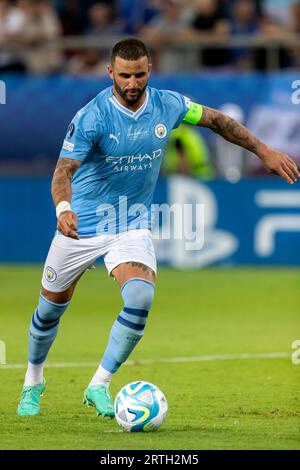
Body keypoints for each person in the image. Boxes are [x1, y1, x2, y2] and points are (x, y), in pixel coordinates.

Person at [17, 37, 299, 417]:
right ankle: (33, 381)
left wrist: (263, 150)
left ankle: (98, 385)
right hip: (81, 224)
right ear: (110, 73)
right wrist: (63, 209)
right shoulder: (92, 116)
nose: (131, 83)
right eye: (123, 76)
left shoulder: (169, 104)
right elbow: (63, 171)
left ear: (149, 71)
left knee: (140, 299)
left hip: (131, 223)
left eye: (138, 75)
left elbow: (218, 121)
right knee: (49, 310)